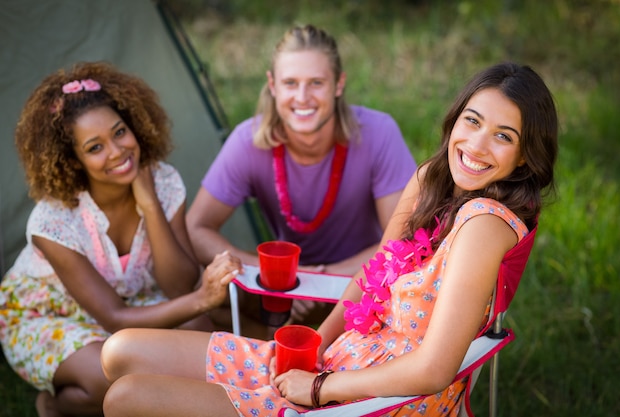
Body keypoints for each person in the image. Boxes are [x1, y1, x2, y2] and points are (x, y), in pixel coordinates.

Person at [100, 61, 558, 417]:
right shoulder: (430, 181)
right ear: (456, 120)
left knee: (125, 398)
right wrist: (313, 348)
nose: (477, 146)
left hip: (376, 400)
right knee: (120, 353)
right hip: (338, 361)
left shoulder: (483, 223)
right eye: (473, 121)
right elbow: (375, 274)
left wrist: (317, 388)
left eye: (503, 136)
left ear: (523, 158)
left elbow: (434, 370)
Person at [0, 61, 242, 417]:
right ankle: (55, 405)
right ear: (73, 159)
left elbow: (178, 285)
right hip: (48, 315)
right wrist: (202, 298)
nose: (116, 151)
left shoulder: (163, 180)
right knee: (109, 379)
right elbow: (115, 318)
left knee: (199, 332)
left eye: (119, 132)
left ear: (134, 125)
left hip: (133, 297)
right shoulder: (53, 220)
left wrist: (150, 205)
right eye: (95, 147)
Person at [186, 24, 416, 328]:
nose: (302, 97)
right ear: (273, 85)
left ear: (338, 84)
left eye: (316, 82)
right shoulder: (248, 142)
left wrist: (321, 280)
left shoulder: (378, 134)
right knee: (198, 309)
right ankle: (269, 351)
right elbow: (196, 227)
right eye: (290, 83)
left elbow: (402, 239)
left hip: (366, 281)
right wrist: (278, 273)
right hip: (283, 287)